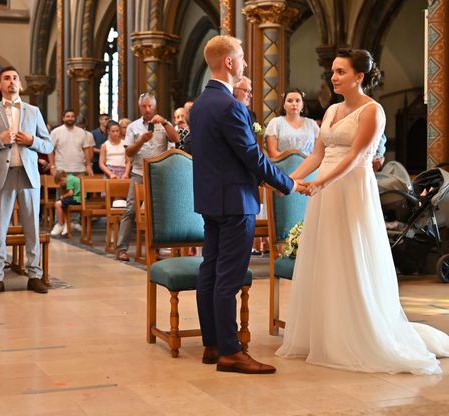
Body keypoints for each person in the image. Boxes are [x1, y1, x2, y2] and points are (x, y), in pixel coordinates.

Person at [276, 48, 449, 374]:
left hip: (351, 188)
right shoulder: (330, 111)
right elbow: (316, 156)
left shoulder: (373, 111)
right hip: (326, 190)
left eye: (341, 71)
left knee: (351, 254)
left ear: (360, 76)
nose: (334, 76)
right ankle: (324, 332)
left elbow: (356, 157)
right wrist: (287, 178)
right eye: (333, 71)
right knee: (326, 255)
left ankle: (356, 334)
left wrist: (320, 183)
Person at [191, 35, 298, 374]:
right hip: (236, 202)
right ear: (229, 63)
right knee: (229, 277)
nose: (245, 64)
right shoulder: (230, 106)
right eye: (241, 58)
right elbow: (251, 156)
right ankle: (230, 351)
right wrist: (287, 183)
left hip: (210, 200)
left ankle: (212, 343)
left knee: (210, 270)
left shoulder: (201, 105)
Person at [0, 66, 53, 296]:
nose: (11, 82)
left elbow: (48, 145)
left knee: (32, 229)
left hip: (28, 176)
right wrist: (0, 139)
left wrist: (31, 140)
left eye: (15, 78)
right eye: (6, 78)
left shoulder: (33, 111)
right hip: (2, 176)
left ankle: (34, 275)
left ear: (20, 84)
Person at [115, 92, 179, 261]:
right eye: (144, 106)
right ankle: (122, 249)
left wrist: (165, 122)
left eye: (150, 106)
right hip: (138, 173)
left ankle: (157, 247)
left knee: (158, 212)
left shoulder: (164, 124)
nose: (147, 109)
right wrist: (141, 141)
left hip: (158, 174)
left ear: (155, 106)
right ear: (140, 107)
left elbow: (176, 139)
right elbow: (128, 152)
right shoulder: (133, 127)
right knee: (130, 210)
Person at [264, 88, 320, 158]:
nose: (294, 104)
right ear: (284, 105)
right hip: (283, 165)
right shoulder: (275, 123)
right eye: (290, 101)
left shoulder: (312, 124)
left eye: (297, 101)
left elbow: (319, 151)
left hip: (310, 165)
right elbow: (272, 152)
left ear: (302, 105)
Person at [49, 109, 94, 177]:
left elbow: (86, 149)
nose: (70, 118)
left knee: (80, 188)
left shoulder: (82, 132)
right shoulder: (55, 132)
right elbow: (50, 150)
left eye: (72, 116)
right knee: (62, 188)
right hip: (61, 169)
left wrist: (88, 165)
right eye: (68, 116)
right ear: (63, 118)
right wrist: (52, 166)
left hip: (79, 169)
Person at [51, 170, 81, 236]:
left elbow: (71, 193)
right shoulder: (72, 177)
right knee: (63, 205)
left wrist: (63, 196)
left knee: (57, 204)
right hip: (80, 198)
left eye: (60, 183)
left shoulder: (69, 180)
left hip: (77, 199)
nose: (60, 185)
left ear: (62, 179)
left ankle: (60, 224)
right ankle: (66, 224)